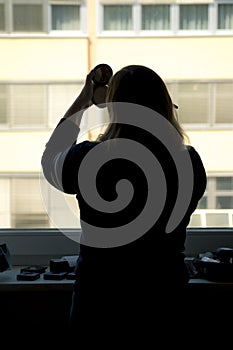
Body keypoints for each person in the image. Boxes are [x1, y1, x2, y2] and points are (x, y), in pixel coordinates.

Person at [41, 65, 207, 339]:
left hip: (100, 299)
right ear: (166, 108)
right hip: (163, 296)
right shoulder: (188, 163)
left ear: (114, 109)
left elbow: (51, 160)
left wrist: (85, 100)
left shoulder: (90, 159)